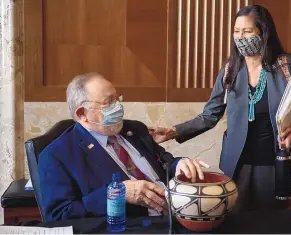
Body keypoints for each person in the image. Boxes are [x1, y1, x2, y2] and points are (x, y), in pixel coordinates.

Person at [148, 5, 291, 211]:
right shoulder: (230, 68)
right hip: (237, 165)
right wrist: (173, 131)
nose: (240, 37)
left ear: (263, 32)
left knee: (272, 223)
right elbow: (210, 115)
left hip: (273, 163)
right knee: (235, 220)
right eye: (236, 31)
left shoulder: (285, 65)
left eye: (247, 31)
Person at [38, 73, 206, 221]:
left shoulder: (135, 129)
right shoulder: (57, 155)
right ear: (82, 114)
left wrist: (181, 165)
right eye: (108, 102)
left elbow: (165, 162)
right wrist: (117, 193)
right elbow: (58, 215)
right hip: (136, 227)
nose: (118, 107)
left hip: (178, 216)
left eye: (117, 98)